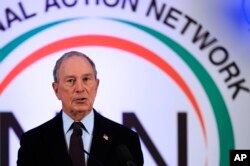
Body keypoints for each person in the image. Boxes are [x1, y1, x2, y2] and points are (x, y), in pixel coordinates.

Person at [17, 51, 144, 166]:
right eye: (71, 81)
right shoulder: (32, 143)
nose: (80, 88)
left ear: (97, 85)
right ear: (56, 90)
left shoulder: (125, 140)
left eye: (86, 79)